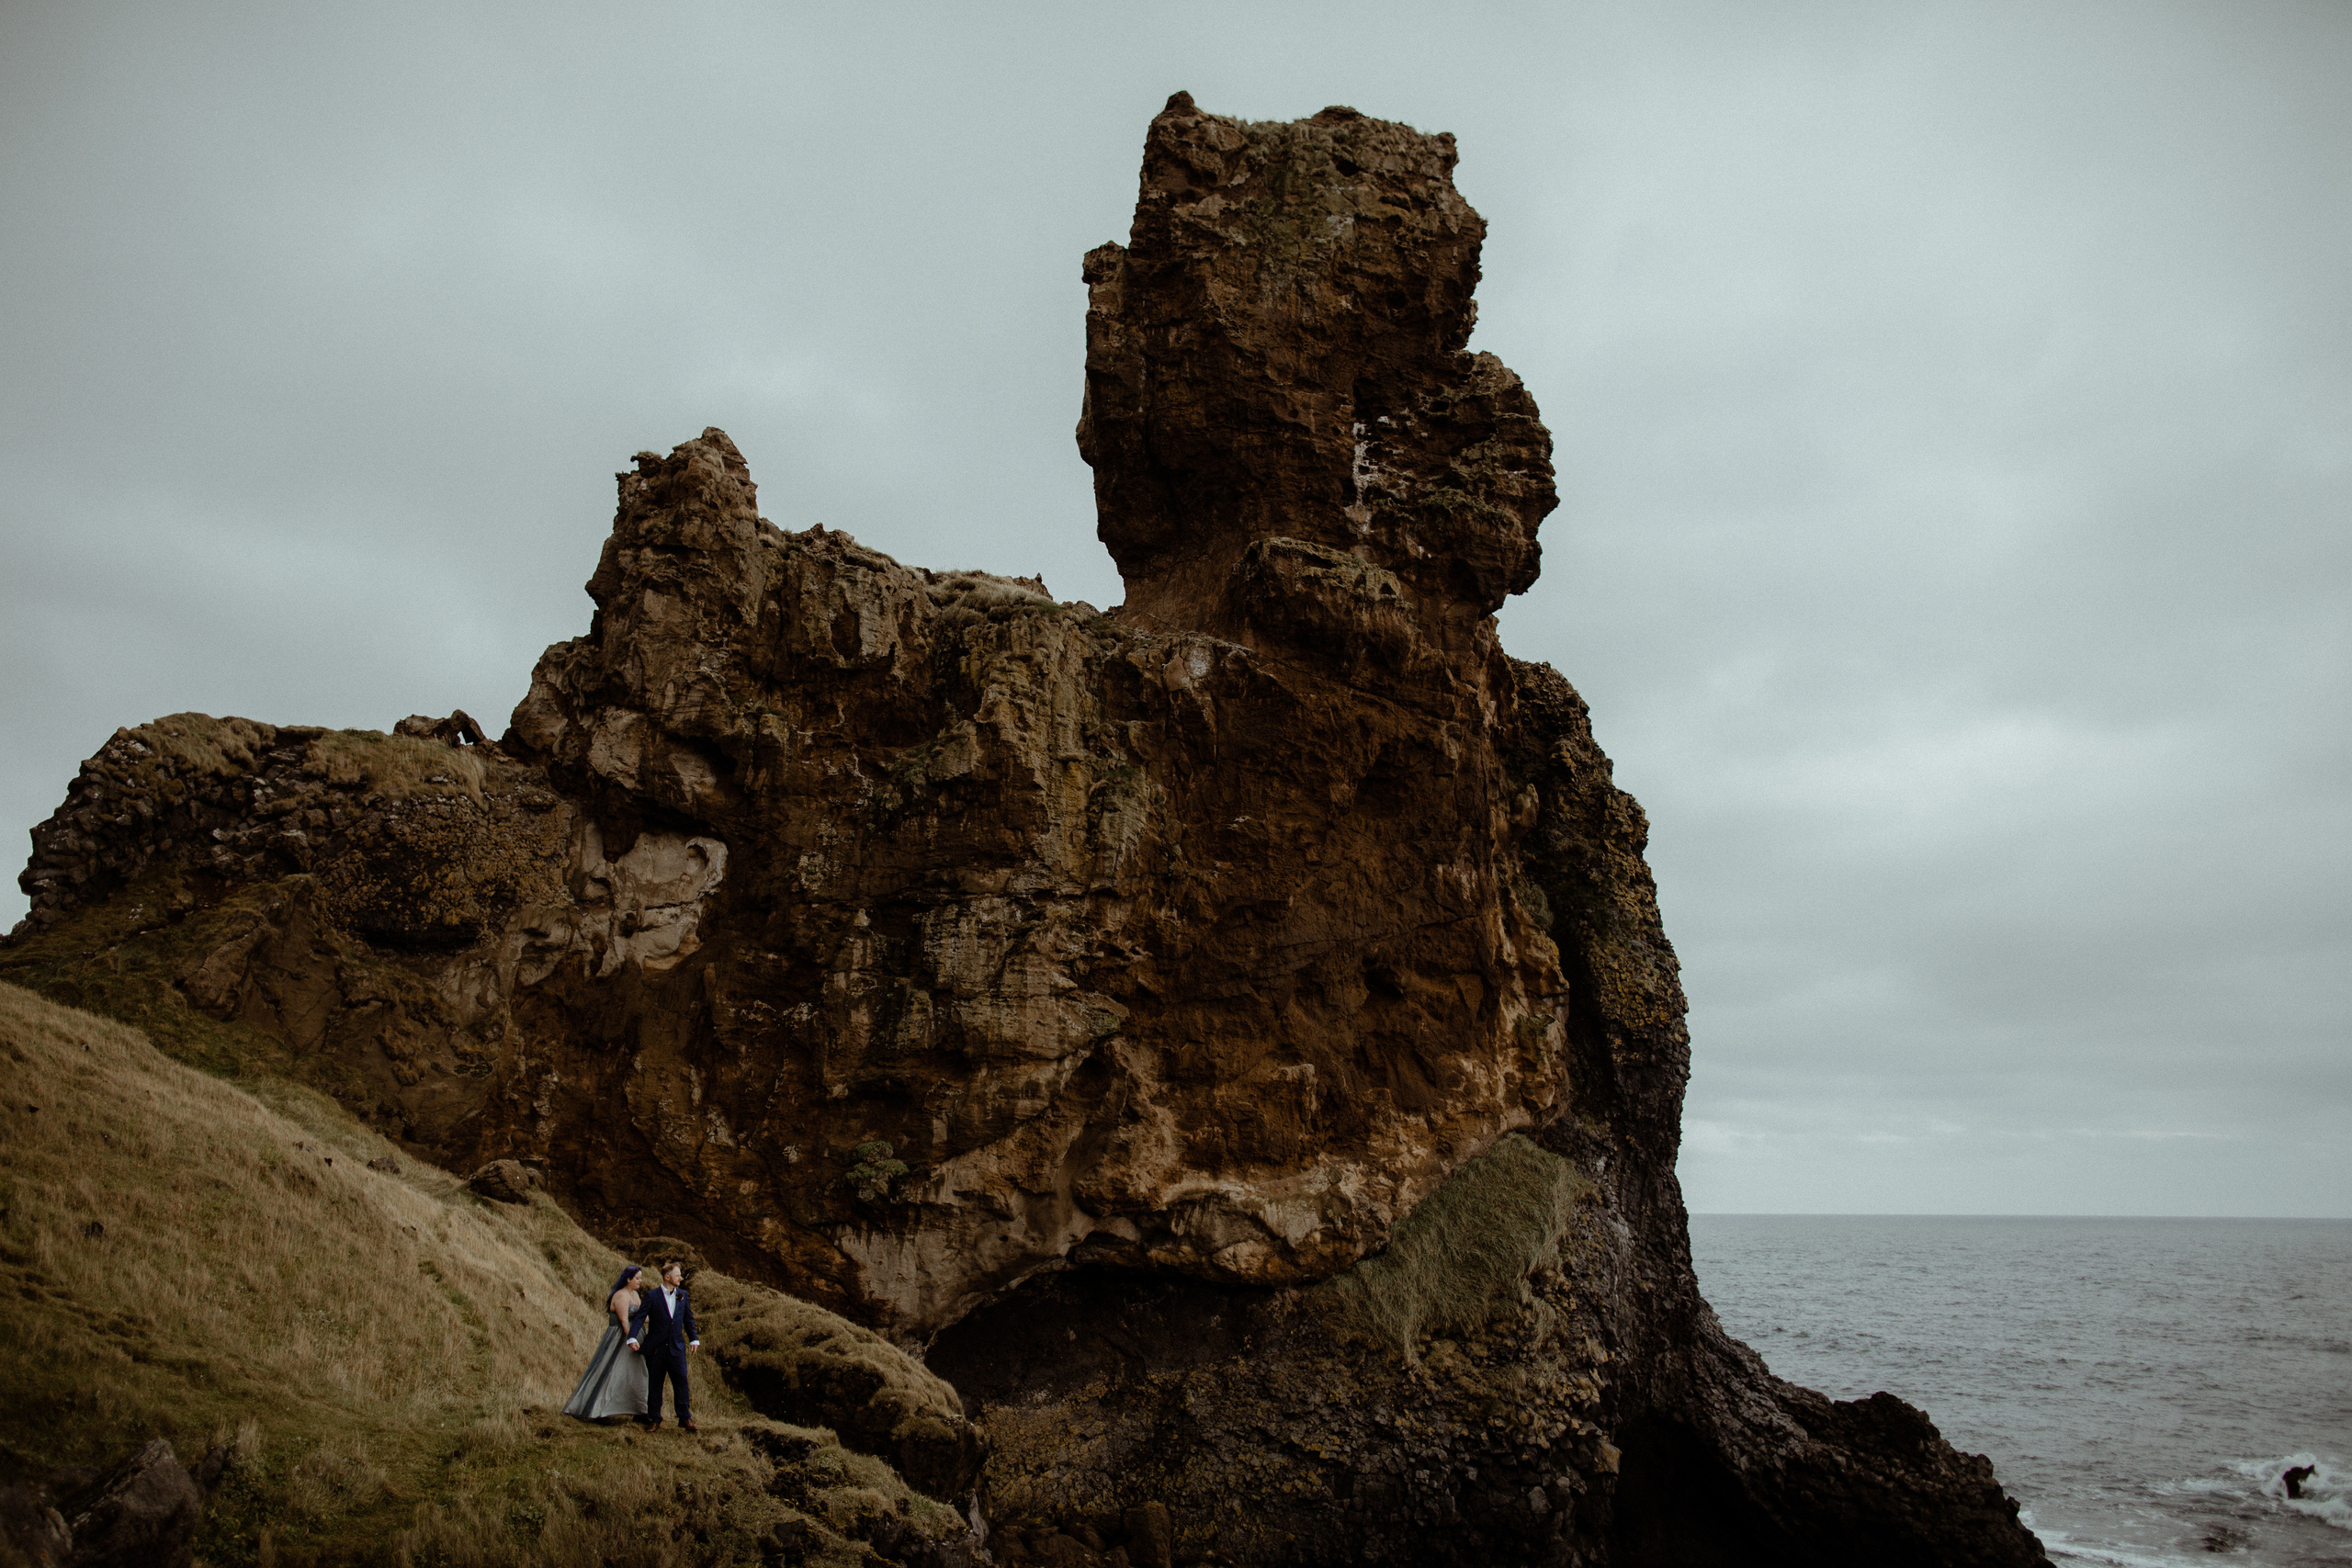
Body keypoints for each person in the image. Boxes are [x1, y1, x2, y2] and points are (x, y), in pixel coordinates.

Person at [560, 1264, 649, 1422]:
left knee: (636, 1372)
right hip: (621, 1339)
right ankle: (599, 1409)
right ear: (628, 1279)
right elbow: (624, 1321)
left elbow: (642, 1316)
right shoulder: (621, 1296)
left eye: (640, 1278)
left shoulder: (635, 1295)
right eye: (637, 1278)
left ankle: (639, 1410)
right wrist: (631, 1339)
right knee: (611, 1371)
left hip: (636, 1336)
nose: (640, 1281)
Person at [628, 1261, 700, 1432]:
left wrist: (694, 1339)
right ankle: (654, 1419)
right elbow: (640, 1317)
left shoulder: (683, 1295)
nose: (681, 1278)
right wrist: (632, 1337)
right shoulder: (652, 1296)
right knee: (655, 1384)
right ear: (667, 1277)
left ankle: (684, 1418)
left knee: (681, 1382)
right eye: (677, 1275)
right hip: (656, 1350)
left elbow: (688, 1319)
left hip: (676, 1349)